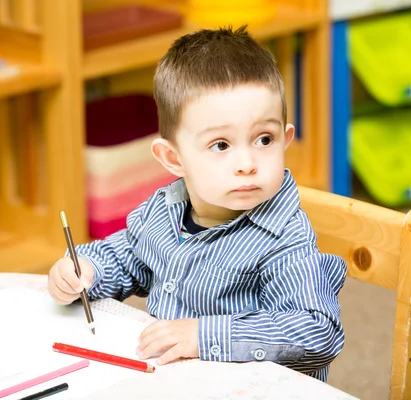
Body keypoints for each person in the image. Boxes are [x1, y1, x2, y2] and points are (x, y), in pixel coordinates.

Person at [48, 26, 346, 382]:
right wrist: (84, 271)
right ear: (173, 159)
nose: (247, 162)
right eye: (221, 145)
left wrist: (203, 337)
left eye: (264, 139)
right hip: (177, 380)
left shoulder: (284, 237)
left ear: (286, 140)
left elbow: (315, 331)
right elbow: (128, 258)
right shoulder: (164, 210)